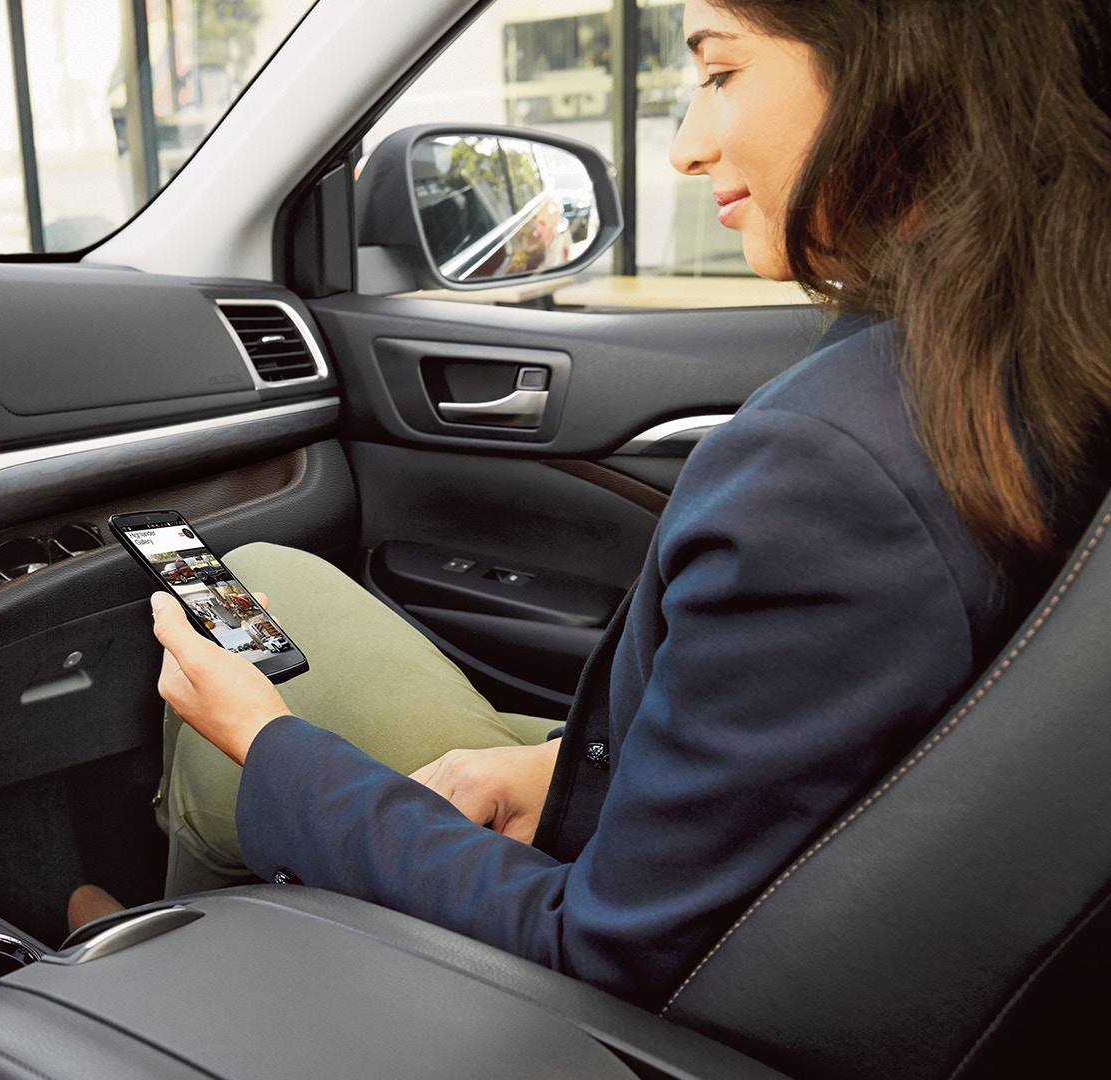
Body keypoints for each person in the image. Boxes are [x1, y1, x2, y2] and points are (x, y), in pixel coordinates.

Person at [134, 0, 1111, 1010]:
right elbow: (817, 752)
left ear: (905, 70)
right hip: (768, 886)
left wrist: (270, 744)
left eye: (720, 72)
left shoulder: (829, 476)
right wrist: (557, 767)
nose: (687, 148)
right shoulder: (1032, 362)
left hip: (599, 1006)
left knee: (240, 690)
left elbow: (599, 954)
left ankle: (140, 994)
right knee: (275, 590)